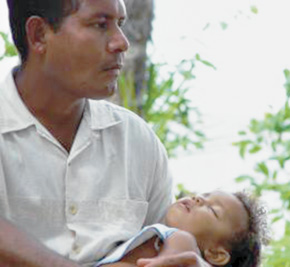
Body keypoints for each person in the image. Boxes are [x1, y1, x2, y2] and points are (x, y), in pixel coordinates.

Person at [0, 0, 207, 266]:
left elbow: (163, 245)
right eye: (100, 25)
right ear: (39, 34)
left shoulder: (137, 142)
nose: (121, 43)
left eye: (120, 25)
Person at [95, 190, 269, 267]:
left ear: (216, 254)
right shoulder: (150, 237)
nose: (198, 199)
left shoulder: (181, 240)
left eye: (212, 210)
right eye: (203, 195)